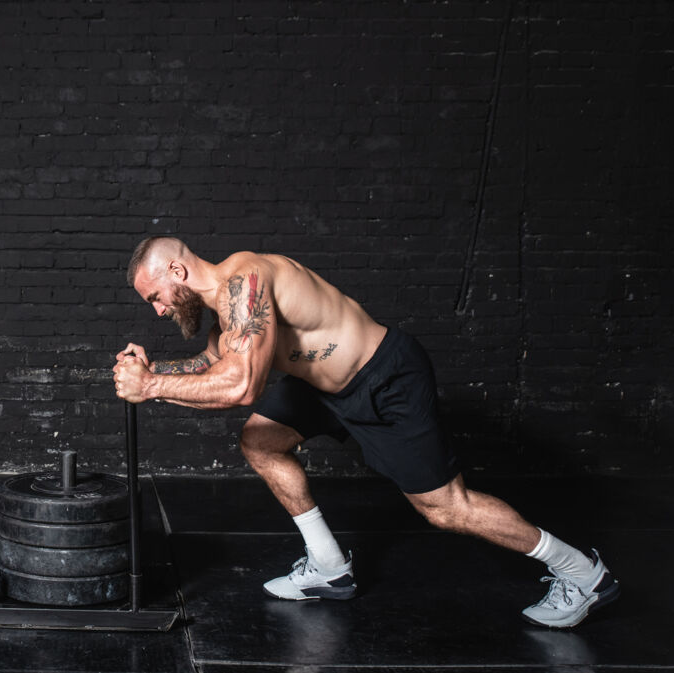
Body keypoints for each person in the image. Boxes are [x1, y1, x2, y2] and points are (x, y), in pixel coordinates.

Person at [111, 236, 619, 628]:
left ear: (176, 270)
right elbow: (209, 368)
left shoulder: (247, 278)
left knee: (446, 509)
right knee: (260, 441)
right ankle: (330, 568)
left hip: (384, 377)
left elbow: (241, 384)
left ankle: (582, 573)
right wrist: (149, 374)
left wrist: (150, 386)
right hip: (326, 389)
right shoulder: (227, 321)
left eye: (156, 296)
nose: (158, 309)